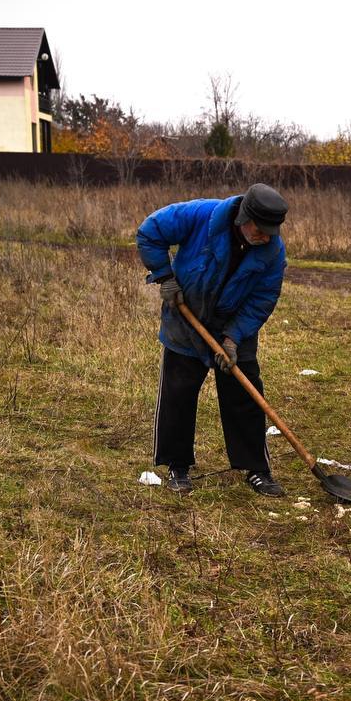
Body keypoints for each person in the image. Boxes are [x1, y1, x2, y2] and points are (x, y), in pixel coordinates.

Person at [137, 183, 290, 497]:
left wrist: (233, 338)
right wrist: (164, 276)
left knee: (245, 394)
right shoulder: (201, 215)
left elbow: (263, 298)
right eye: (260, 230)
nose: (265, 237)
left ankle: (256, 468)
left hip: (234, 325)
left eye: (271, 232)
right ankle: (177, 467)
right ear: (243, 219)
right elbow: (150, 231)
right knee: (178, 393)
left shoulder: (273, 251)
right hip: (186, 315)